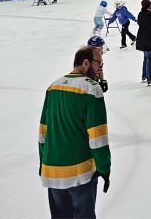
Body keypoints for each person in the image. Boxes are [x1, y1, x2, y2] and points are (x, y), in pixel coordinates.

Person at [39, 47, 111, 218]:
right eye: (98, 64)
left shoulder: (53, 87)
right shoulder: (91, 89)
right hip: (79, 173)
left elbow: (43, 132)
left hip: (51, 171)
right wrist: (104, 167)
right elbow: (98, 137)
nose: (100, 69)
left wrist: (44, 162)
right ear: (86, 63)